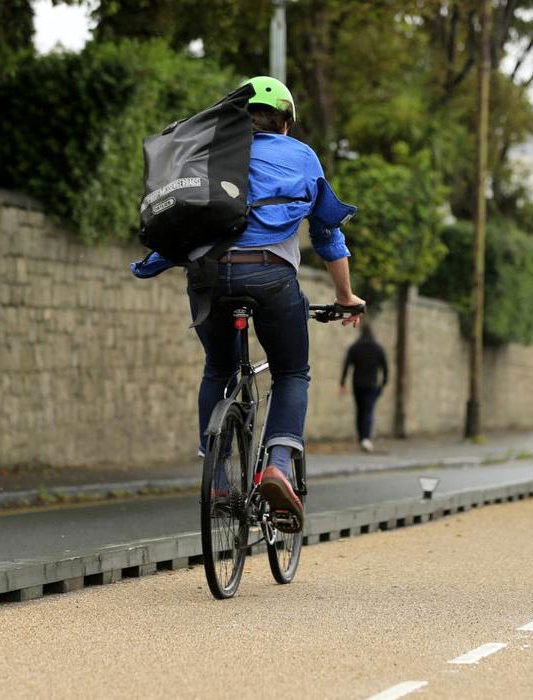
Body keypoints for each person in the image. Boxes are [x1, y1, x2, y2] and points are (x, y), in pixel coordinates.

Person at [132, 76, 365, 531]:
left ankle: (217, 477)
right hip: (271, 276)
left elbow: (182, 216)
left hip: (208, 277)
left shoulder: (208, 152)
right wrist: (345, 296)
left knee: (218, 369)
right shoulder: (301, 156)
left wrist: (148, 266)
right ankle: (277, 463)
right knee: (292, 372)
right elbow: (326, 234)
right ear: (285, 124)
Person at [340, 322, 389, 452]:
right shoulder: (378, 348)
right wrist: (383, 384)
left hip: (358, 384)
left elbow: (346, 365)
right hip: (372, 385)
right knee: (368, 411)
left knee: (360, 410)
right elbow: (385, 368)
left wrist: (342, 383)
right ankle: (365, 438)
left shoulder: (355, 347)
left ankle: (361, 437)